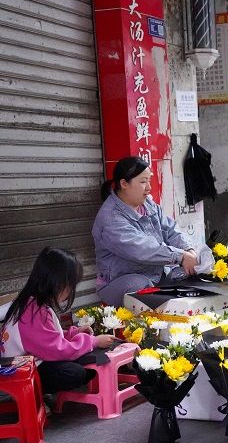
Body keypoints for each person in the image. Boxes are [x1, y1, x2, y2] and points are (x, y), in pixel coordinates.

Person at [0, 247, 116, 394]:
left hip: (29, 364)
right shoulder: (32, 312)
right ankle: (35, 393)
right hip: (21, 372)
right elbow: (57, 350)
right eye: (70, 286)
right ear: (58, 283)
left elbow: (48, 339)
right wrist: (94, 341)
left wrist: (74, 333)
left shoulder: (32, 303)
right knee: (75, 373)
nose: (70, 291)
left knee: (82, 360)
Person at [93, 156, 199, 307]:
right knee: (139, 284)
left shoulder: (147, 202)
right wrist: (180, 256)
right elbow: (142, 249)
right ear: (124, 183)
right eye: (143, 182)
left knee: (191, 278)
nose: (149, 187)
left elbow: (170, 229)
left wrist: (188, 250)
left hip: (155, 274)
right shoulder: (111, 220)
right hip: (120, 281)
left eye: (149, 180)